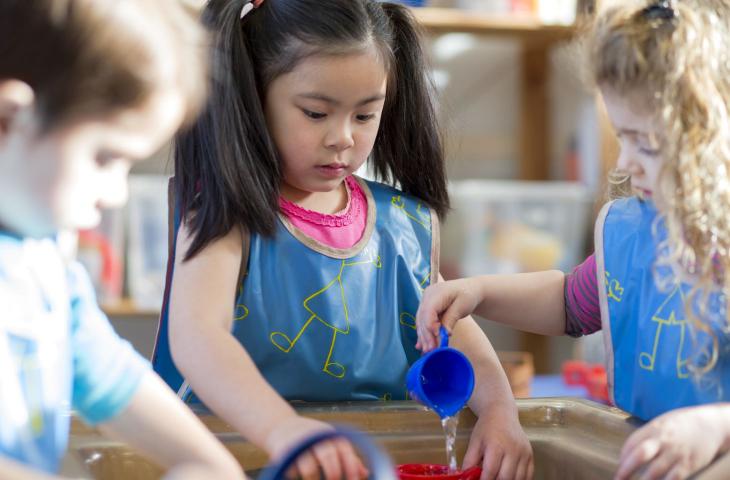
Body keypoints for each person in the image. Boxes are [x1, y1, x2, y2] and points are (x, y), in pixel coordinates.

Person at [152, 1, 533, 479]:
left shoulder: (399, 226)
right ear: (253, 97)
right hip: (238, 460)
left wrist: (500, 411)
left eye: (365, 115)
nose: (342, 138)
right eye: (315, 113)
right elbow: (197, 337)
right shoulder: (225, 212)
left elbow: (453, 327)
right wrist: (282, 430)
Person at [415, 1, 730, 479]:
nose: (625, 163)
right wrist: (480, 292)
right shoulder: (632, 228)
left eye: (647, 143)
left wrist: (716, 427)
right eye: (621, 136)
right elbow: (570, 303)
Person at [0, 1, 244, 478]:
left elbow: (112, 379)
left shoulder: (42, 259)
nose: (115, 194)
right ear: (8, 120)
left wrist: (210, 465)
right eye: (105, 157)